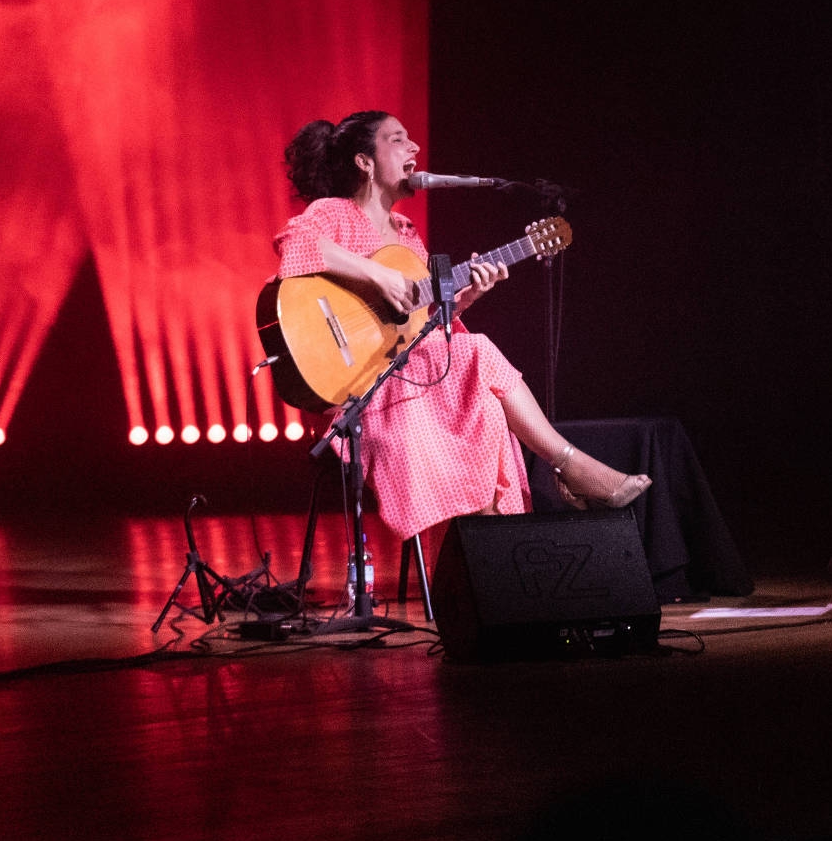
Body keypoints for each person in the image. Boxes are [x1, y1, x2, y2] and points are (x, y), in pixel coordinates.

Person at [275, 110, 648, 553]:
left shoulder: (406, 234)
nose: (414, 148)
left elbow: (425, 325)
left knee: (487, 409)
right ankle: (568, 464)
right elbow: (295, 245)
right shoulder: (334, 213)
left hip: (417, 381)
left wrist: (467, 296)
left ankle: (486, 562)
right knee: (480, 351)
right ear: (364, 162)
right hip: (365, 388)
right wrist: (378, 277)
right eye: (398, 139)